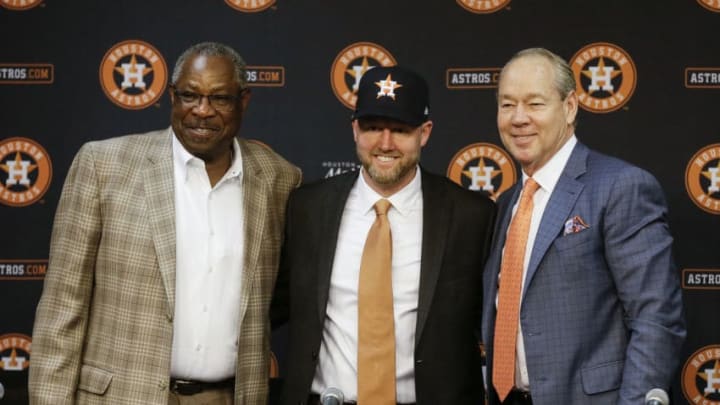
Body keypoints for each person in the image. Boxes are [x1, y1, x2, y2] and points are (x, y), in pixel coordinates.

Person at [28, 41, 301, 405]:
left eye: (219, 99)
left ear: (244, 101)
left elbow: (281, 295)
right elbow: (63, 306)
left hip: (229, 397)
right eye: (190, 95)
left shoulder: (280, 179)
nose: (202, 111)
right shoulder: (103, 166)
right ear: (172, 96)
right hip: (121, 397)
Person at [272, 65, 496, 405]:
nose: (385, 143)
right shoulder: (307, 208)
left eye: (401, 129)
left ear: (425, 132)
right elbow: (273, 304)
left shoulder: (472, 215)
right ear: (354, 130)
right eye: (373, 127)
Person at [481, 47, 686, 405]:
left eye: (535, 104)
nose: (518, 118)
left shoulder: (619, 186)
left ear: (570, 107)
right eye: (507, 104)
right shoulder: (506, 203)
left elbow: (656, 318)